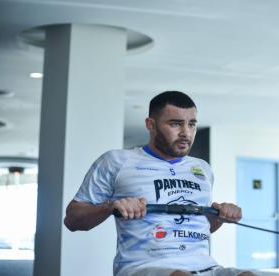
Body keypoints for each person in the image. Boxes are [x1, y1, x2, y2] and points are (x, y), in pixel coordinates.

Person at [64, 91, 255, 276]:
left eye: (192, 124)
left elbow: (200, 227)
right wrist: (110, 207)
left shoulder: (202, 168)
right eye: (175, 124)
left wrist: (220, 216)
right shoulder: (117, 161)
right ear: (151, 125)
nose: (186, 133)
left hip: (204, 265)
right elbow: (72, 220)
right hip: (142, 266)